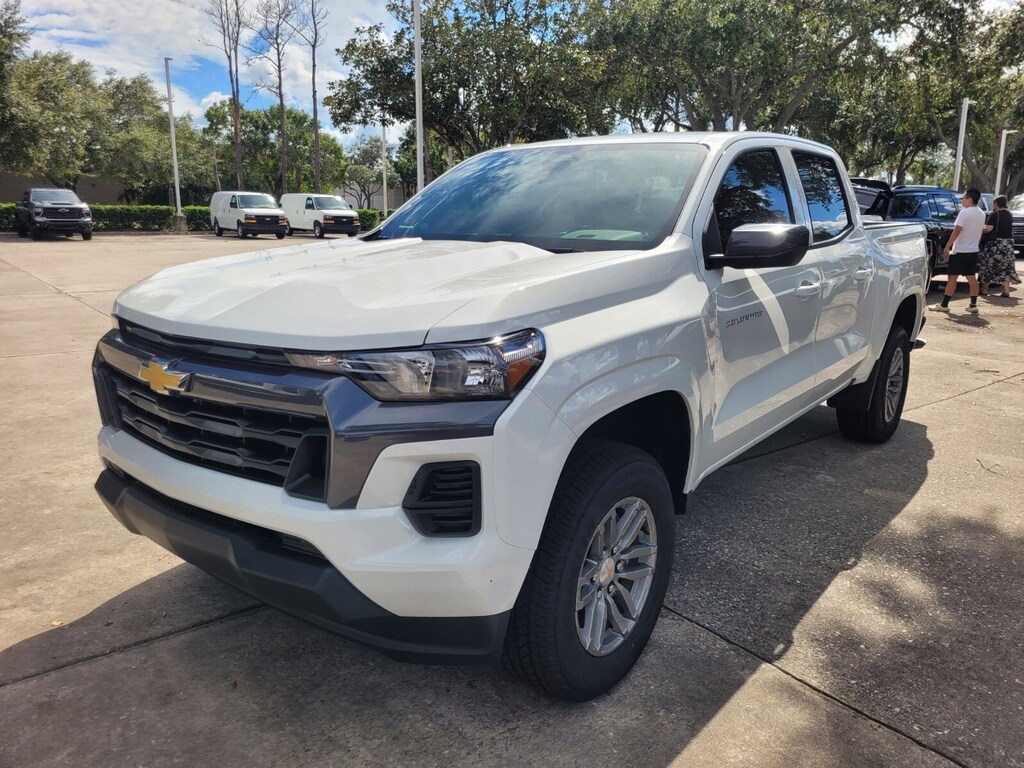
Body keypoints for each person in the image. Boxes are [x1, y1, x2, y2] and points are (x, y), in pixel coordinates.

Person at [929, 188, 987, 314]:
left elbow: (956, 231)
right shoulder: (981, 214)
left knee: (952, 278)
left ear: (969, 199)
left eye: (963, 198)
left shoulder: (964, 213)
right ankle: (973, 304)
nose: (962, 200)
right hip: (973, 250)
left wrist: (947, 246)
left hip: (960, 250)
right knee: (971, 277)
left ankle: (944, 304)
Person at [978, 195, 1020, 298]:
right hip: (1008, 244)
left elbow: (989, 229)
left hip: (995, 244)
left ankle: (984, 290)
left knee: (988, 265)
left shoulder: (994, 214)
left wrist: (979, 229)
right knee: (1005, 267)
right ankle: (1006, 291)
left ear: (996, 203)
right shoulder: (1009, 214)